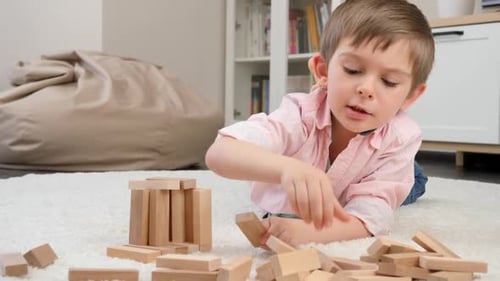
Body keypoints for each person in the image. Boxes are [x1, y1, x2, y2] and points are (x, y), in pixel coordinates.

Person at [205, 0, 434, 247]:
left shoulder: (401, 137)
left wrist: (306, 233)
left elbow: (370, 219)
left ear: (411, 95)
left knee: (412, 185)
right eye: (352, 70)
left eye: (389, 82)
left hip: (381, 164)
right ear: (323, 71)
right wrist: (286, 168)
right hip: (341, 165)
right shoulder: (300, 114)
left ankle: (414, 174)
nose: (366, 89)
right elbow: (219, 153)